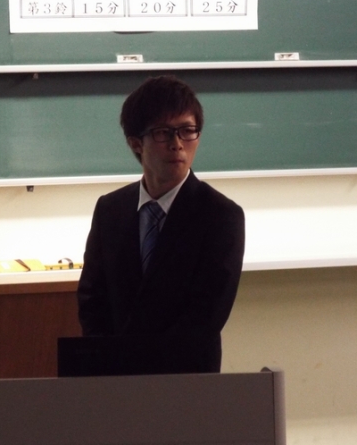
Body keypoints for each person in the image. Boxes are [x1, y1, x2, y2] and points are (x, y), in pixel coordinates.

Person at [76, 75, 245, 372]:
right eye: (163, 133)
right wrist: (109, 357)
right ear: (135, 142)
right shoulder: (110, 209)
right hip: (114, 374)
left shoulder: (220, 215)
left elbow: (207, 314)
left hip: (186, 378)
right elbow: (92, 298)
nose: (177, 144)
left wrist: (145, 365)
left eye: (187, 131)